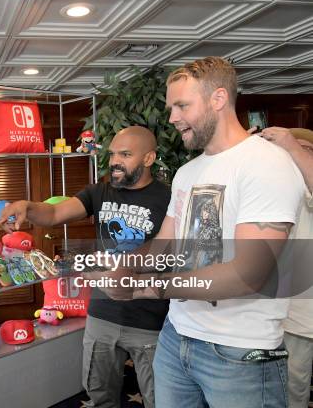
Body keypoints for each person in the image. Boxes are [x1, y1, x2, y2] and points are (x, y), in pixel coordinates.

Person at [86, 57, 306, 408]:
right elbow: (164, 242)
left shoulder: (267, 164)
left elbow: (248, 274)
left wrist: (147, 287)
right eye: (171, 107)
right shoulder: (187, 172)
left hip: (240, 350)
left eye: (182, 106)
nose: (172, 118)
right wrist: (126, 267)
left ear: (218, 99)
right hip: (177, 337)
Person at [0, 126, 171, 408]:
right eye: (113, 153)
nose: (115, 160)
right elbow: (54, 213)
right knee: (99, 396)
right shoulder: (99, 192)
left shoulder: (168, 198)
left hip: (150, 319)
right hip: (102, 314)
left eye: (125, 154)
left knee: (159, 400)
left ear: (148, 158)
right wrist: (27, 206)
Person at [254, 126, 313, 408]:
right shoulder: (271, 182)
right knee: (255, 386)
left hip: (298, 314)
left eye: (305, 150)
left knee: (292, 388)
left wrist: (292, 145)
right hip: (257, 310)